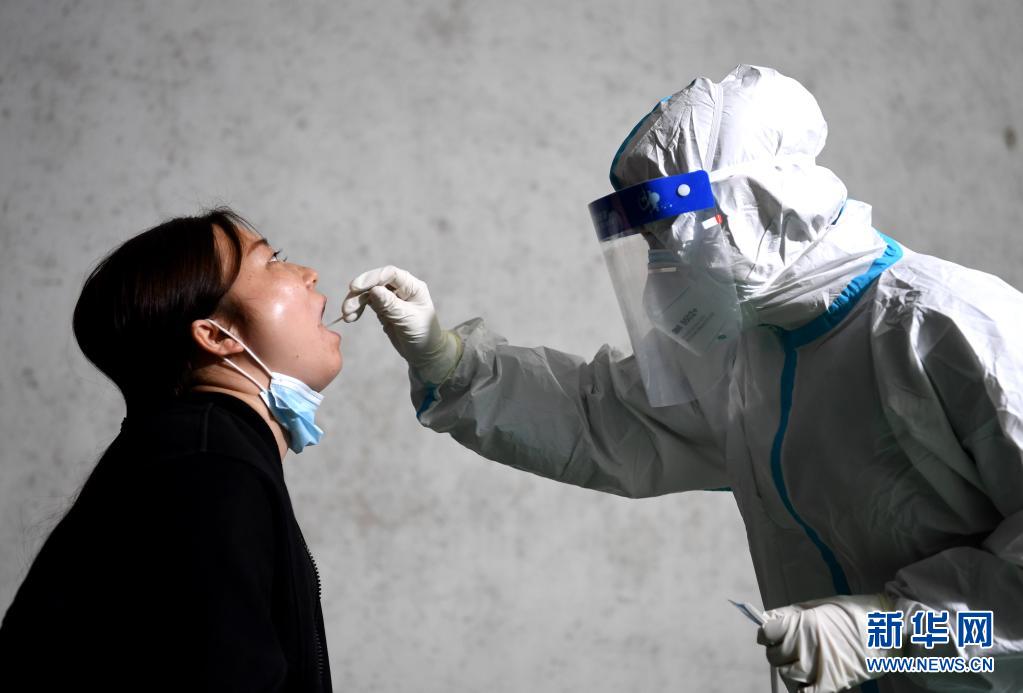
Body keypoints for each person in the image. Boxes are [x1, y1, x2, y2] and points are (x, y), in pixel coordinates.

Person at [341, 65, 1023, 692]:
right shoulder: (749, 350)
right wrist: (448, 359)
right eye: (650, 246)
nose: (660, 270)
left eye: (669, 237)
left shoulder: (947, 326)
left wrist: (885, 636)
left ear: (754, 208)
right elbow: (607, 421)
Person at [0, 208, 340, 691]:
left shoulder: (199, 451)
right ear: (216, 335)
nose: (309, 274)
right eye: (272, 260)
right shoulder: (207, 470)